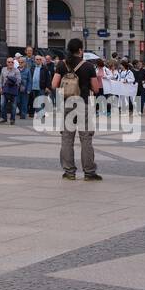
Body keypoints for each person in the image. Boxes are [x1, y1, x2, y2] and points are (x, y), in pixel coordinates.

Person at [52, 37, 101, 182]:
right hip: (83, 104)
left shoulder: (62, 64)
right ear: (80, 50)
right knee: (86, 139)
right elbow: (96, 89)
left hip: (67, 104)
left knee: (67, 138)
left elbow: (54, 84)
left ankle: (69, 172)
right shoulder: (88, 66)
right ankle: (89, 172)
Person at [0, 57, 21, 124]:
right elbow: (1, 80)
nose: (10, 63)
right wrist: (0, 88)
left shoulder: (16, 70)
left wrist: (11, 81)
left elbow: (19, 81)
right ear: (6, 63)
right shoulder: (3, 69)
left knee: (13, 105)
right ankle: (4, 118)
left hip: (13, 90)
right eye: (9, 62)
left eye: (12, 62)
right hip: (4, 90)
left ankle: (12, 119)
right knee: (2, 104)